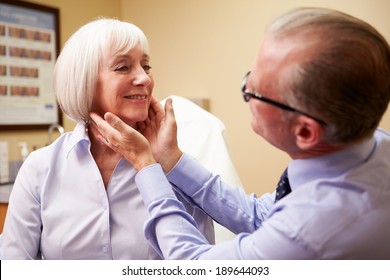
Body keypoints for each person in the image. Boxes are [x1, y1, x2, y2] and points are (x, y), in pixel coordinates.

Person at [90, 7, 390, 259]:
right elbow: (262, 216)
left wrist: (147, 167)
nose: (245, 89)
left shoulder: (311, 231)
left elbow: (193, 266)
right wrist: (171, 160)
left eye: (255, 91)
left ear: (304, 132)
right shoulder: (371, 143)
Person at [0, 18, 214, 259]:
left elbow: (202, 265)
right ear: (84, 81)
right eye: (123, 67)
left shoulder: (176, 172)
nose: (144, 78)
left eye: (146, 66)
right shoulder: (40, 168)